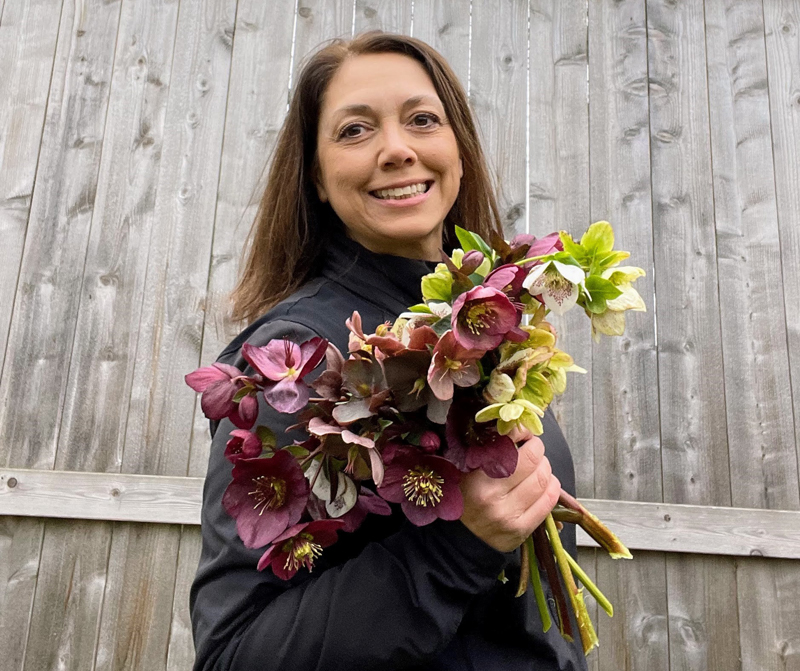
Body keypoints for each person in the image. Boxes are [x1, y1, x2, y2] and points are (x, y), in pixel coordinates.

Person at [190, 31, 588, 671]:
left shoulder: (481, 324)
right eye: (354, 131)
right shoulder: (298, 359)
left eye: (422, 120)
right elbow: (233, 656)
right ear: (317, 178)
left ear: (457, 146)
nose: (398, 150)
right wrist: (458, 546)